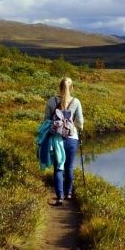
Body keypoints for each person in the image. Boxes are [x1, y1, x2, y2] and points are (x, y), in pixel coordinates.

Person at [44, 76, 84, 205]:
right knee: (69, 167)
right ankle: (69, 193)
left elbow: (46, 120)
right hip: (72, 138)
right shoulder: (76, 101)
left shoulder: (51, 101)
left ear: (59, 87)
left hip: (56, 139)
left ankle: (60, 197)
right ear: (71, 88)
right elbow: (80, 122)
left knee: (58, 168)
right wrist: (78, 129)